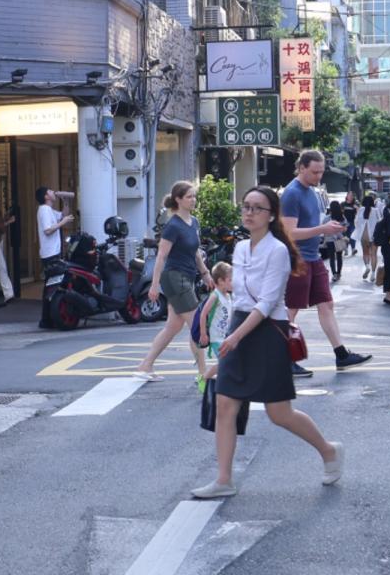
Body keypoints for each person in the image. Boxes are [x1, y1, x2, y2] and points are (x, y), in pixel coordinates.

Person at [192, 186, 344, 499]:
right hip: (241, 325)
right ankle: (223, 479)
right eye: (246, 206)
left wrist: (234, 337)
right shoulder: (241, 248)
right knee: (225, 403)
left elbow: (267, 303)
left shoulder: (278, 251)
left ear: (271, 215)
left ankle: (329, 451)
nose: (248, 212)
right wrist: (232, 335)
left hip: (267, 330)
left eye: (256, 208)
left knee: (279, 413)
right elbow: (242, 299)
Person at [282, 151, 372, 378]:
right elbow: (288, 233)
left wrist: (329, 226)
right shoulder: (291, 194)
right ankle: (284, 359)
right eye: (315, 171)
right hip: (297, 258)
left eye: (321, 171)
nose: (319, 176)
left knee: (326, 305)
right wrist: (322, 230)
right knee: (290, 310)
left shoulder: (312, 192)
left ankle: (341, 354)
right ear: (301, 168)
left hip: (313, 257)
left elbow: (313, 222)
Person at [134, 181, 214, 381]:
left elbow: (195, 251)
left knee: (173, 326)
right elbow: (161, 257)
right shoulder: (173, 225)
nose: (193, 200)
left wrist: (205, 273)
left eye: (194, 196)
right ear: (178, 199)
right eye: (189, 197)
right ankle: (203, 373)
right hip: (174, 278)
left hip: (186, 277)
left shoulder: (193, 222)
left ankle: (145, 366)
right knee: (197, 323)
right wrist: (154, 286)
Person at [36, 186, 75, 328]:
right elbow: (48, 230)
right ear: (46, 196)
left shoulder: (48, 210)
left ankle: (46, 319)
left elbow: (63, 215)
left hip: (52, 252)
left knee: (50, 286)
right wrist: (63, 223)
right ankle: (46, 319)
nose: (53, 192)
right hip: (49, 254)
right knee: (50, 287)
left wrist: (65, 201)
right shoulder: (44, 210)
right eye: (51, 191)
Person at [197, 262, 234, 393]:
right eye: (230, 280)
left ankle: (217, 381)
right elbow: (203, 314)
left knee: (228, 362)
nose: (233, 282)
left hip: (226, 337)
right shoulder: (215, 296)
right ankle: (205, 377)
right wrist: (203, 334)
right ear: (221, 281)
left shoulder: (228, 296)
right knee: (225, 362)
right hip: (216, 337)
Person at [351, 195, 381, 282]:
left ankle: (367, 266)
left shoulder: (360, 210)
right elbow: (379, 221)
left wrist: (360, 228)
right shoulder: (376, 210)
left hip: (363, 235)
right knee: (374, 254)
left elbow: (356, 222)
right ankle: (373, 273)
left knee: (365, 253)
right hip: (373, 235)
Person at [322, 200, 348, 282]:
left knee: (332, 258)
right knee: (339, 257)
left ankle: (334, 274)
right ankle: (339, 273)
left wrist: (325, 240)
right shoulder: (342, 218)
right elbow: (345, 229)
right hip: (339, 239)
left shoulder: (327, 218)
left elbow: (324, 229)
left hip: (330, 240)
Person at [342, 191, 359, 256]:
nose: (350, 197)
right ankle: (345, 250)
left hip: (352, 222)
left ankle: (353, 249)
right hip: (344, 222)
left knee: (352, 235)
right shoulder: (343, 204)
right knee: (345, 236)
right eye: (349, 195)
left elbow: (359, 213)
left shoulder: (355, 204)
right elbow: (341, 213)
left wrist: (357, 208)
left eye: (352, 196)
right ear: (347, 196)